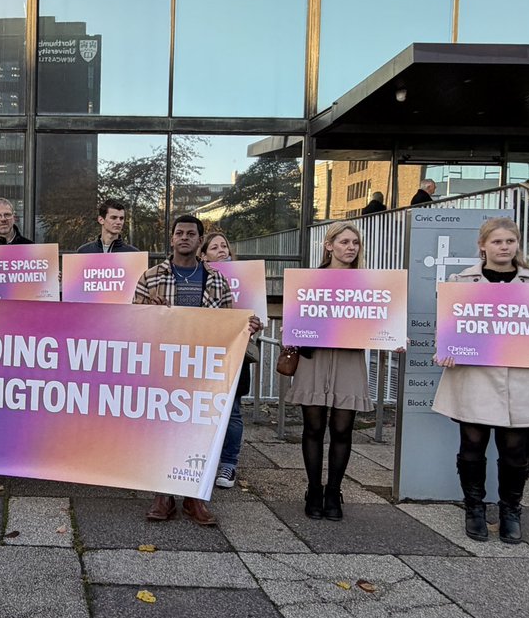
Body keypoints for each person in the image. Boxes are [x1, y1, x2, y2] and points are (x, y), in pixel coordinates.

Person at [432, 217, 529, 544]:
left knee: (514, 449)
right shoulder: (462, 283)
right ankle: (474, 508)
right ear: (482, 245)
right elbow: (450, 329)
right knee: (472, 444)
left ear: (517, 245)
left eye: (509, 241)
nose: (504, 247)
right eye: (497, 242)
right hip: (474, 377)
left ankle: (511, 509)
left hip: (520, 380)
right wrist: (445, 351)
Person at [133, 215, 262, 526]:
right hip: (165, 364)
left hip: (204, 367)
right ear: (172, 238)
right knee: (163, 428)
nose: (184, 238)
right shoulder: (150, 277)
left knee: (200, 431)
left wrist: (249, 327)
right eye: (179, 233)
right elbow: (133, 320)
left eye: (191, 233)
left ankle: (194, 497)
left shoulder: (217, 280)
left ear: (200, 241)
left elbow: (230, 325)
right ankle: (163, 495)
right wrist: (150, 312)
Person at [283, 221, 373, 522]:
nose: (351, 247)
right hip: (315, 358)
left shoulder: (368, 282)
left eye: (355, 243)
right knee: (313, 427)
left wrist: (394, 336)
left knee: (343, 428)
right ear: (329, 245)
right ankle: (313, 489)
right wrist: (290, 327)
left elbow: (380, 318)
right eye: (345, 242)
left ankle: (334, 491)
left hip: (349, 359)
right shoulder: (309, 279)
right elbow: (298, 314)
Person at [199, 230, 259, 490]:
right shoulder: (197, 280)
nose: (222, 250)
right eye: (215, 247)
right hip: (203, 353)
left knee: (233, 411)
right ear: (203, 255)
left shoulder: (247, 280)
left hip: (234, 354)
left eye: (225, 246)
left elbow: (257, 317)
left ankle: (228, 463)